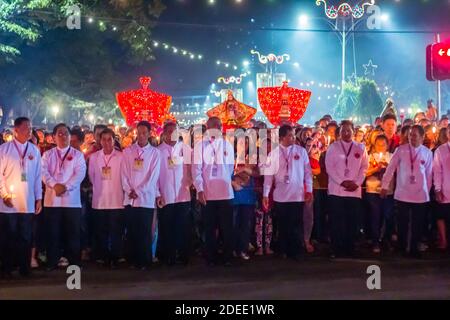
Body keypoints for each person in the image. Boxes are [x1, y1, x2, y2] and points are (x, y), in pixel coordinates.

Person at [381, 125, 433, 258]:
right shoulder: (400, 150)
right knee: (402, 222)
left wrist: (426, 190)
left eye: (415, 135)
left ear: (422, 137)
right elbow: (390, 168)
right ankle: (402, 247)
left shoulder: (427, 153)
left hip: (420, 195)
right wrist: (384, 186)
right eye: (410, 135)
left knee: (418, 223)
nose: (412, 137)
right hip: (402, 193)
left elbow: (429, 175)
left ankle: (414, 248)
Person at [263, 125, 313, 261]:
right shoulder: (273, 154)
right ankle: (283, 250)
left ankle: (296, 250)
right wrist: (265, 194)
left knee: (296, 224)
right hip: (280, 196)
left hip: (297, 195)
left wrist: (309, 189)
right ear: (282, 137)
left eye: (293, 134)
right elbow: (268, 177)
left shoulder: (301, 152)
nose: (293, 137)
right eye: (290, 135)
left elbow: (308, 173)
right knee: (283, 224)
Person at [0, 117, 42, 278]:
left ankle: (25, 267)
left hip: (27, 202)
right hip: (8, 204)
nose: (29, 131)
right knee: (8, 237)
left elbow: (38, 176)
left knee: (26, 236)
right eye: (26, 128)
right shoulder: (4, 149)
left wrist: (39, 198)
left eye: (30, 128)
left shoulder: (34, 150)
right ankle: (7, 268)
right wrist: (3, 194)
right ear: (16, 130)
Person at [42, 123, 87, 271]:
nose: (63, 136)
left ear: (70, 136)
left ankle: (74, 260)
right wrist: (55, 185)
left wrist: (65, 186)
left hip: (71, 201)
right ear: (54, 137)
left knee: (73, 232)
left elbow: (79, 174)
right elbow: (44, 172)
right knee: (52, 232)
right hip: (52, 201)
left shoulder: (77, 155)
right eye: (59, 134)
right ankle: (52, 261)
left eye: (66, 133)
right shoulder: (47, 155)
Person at [192, 117, 235, 266]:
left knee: (227, 228)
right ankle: (211, 257)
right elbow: (196, 171)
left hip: (225, 193)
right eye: (215, 125)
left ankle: (228, 256)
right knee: (209, 228)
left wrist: (223, 179)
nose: (218, 127)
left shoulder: (227, 145)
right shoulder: (200, 146)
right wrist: (200, 190)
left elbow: (230, 168)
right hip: (208, 194)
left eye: (220, 125)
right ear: (207, 127)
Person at [121, 121, 162, 270]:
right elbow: (124, 173)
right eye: (139, 132)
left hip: (145, 199)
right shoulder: (128, 151)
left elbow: (153, 177)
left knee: (145, 231)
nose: (142, 135)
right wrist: (128, 189)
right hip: (130, 198)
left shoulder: (155, 153)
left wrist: (138, 191)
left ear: (150, 133)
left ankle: (145, 261)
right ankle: (132, 259)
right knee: (132, 230)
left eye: (145, 132)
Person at [325, 120, 369, 258]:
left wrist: (357, 182)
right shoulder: (333, 147)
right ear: (339, 132)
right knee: (336, 221)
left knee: (352, 221)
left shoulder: (360, 148)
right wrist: (342, 182)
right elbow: (329, 167)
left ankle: (350, 248)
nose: (346, 133)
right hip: (336, 190)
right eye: (343, 131)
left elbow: (364, 167)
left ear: (353, 132)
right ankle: (336, 248)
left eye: (348, 130)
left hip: (354, 191)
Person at [157, 122, 193, 265]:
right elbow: (155, 176)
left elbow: (192, 170)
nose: (172, 134)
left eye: (175, 131)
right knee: (167, 227)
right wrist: (157, 193)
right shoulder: (158, 151)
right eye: (169, 131)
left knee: (183, 226)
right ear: (164, 133)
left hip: (183, 194)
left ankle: (183, 255)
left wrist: (189, 183)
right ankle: (168, 256)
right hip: (166, 196)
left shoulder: (186, 149)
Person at [88, 128, 124, 268]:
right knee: (101, 231)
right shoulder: (94, 157)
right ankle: (103, 256)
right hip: (100, 200)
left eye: (110, 139)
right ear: (100, 141)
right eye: (104, 139)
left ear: (114, 140)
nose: (107, 142)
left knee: (116, 231)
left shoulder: (121, 156)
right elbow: (91, 176)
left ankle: (115, 256)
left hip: (117, 199)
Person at [365, 135, 395, 253]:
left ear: (387, 145)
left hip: (388, 191)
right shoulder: (369, 157)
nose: (381, 147)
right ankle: (375, 241)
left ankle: (387, 239)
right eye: (378, 144)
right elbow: (364, 173)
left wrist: (388, 168)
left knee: (388, 216)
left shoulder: (392, 157)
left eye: (383, 144)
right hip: (373, 190)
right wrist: (375, 169)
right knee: (375, 216)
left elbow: (396, 171)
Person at [232, 134, 259, 261]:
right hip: (234, 196)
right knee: (233, 224)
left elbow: (258, 173)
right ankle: (232, 249)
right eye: (241, 143)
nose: (244, 146)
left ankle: (242, 249)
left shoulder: (253, 158)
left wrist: (246, 170)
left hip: (248, 196)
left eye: (246, 143)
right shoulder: (230, 157)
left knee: (246, 224)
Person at [432, 124, 450, 251]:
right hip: (445, 188)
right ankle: (443, 240)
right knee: (441, 215)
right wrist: (437, 189)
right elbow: (437, 171)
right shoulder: (440, 150)